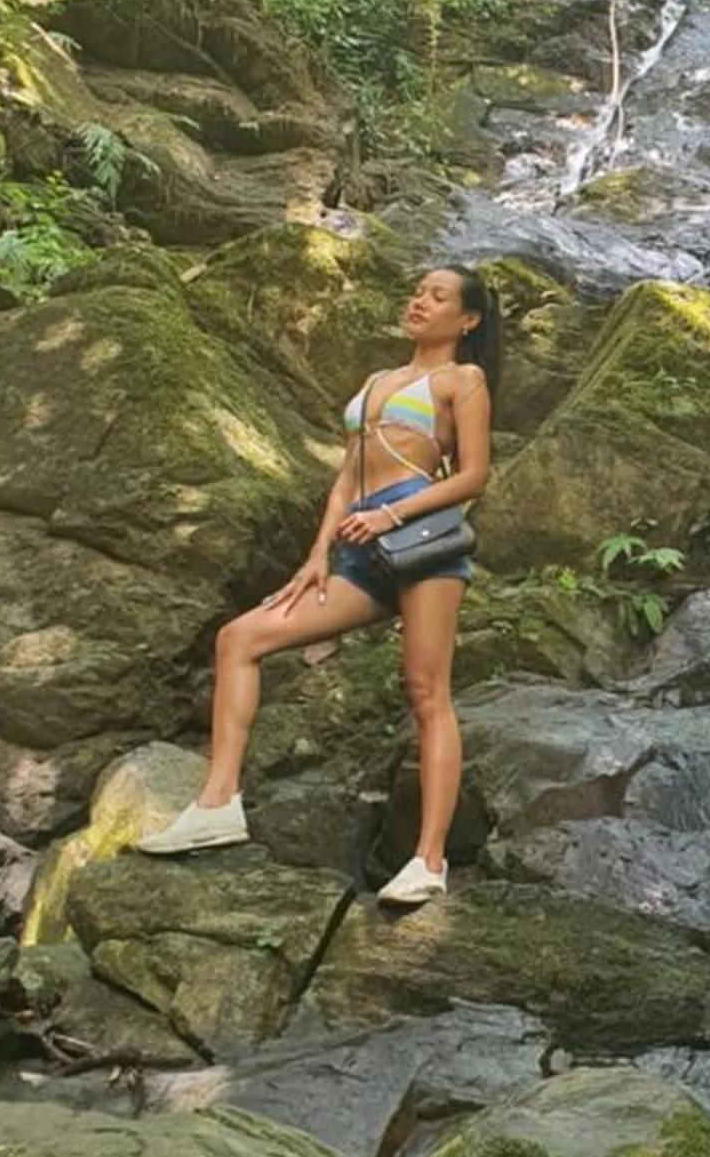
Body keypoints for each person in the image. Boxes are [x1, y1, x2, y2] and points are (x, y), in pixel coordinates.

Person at [138, 262, 501, 906]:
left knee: (426, 691)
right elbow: (346, 476)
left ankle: (428, 860)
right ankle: (218, 802)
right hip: (357, 551)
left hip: (421, 545)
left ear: (466, 319)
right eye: (417, 290)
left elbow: (473, 476)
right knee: (239, 639)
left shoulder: (463, 380)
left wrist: (392, 514)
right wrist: (317, 555)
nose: (420, 300)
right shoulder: (378, 380)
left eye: (438, 296)